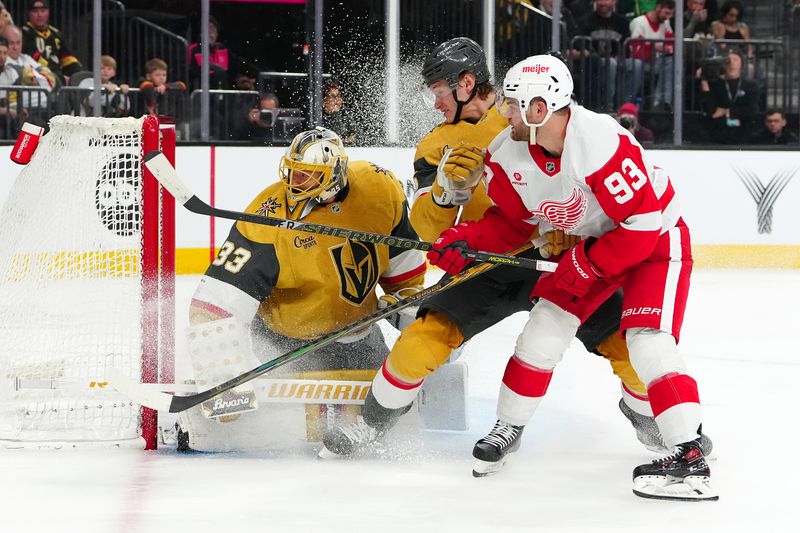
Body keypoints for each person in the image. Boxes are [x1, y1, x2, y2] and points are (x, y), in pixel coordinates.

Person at [321, 38, 693, 460]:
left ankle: (655, 423)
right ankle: (370, 425)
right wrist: (445, 196)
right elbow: (427, 227)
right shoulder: (435, 147)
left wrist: (587, 249)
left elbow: (603, 199)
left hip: (568, 261)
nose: (435, 105)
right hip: (491, 262)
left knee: (631, 351)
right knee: (423, 338)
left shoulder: (537, 116)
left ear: (465, 84)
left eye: (438, 93)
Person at [426, 54, 716, 501]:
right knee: (543, 329)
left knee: (646, 339)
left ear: (538, 109)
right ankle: (509, 427)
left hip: (655, 241)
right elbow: (513, 225)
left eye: (511, 104)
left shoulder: (597, 140)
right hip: (596, 246)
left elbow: (640, 226)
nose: (503, 113)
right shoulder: (506, 153)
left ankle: (688, 454)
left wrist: (588, 265)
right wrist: (467, 239)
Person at [175, 127, 427, 451]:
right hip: (287, 344)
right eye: (294, 171)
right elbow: (213, 304)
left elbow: (403, 266)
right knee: (281, 432)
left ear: (336, 174)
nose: (296, 182)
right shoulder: (266, 218)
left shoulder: (379, 187)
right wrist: (223, 371)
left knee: (395, 409)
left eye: (309, 175)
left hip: (359, 337)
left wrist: (411, 312)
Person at [699, 48, 758, 145]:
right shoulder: (716, 84)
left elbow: (752, 110)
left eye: (735, 60)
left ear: (741, 64)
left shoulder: (750, 85)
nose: (731, 63)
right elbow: (712, 111)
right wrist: (704, 80)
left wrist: (726, 111)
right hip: (718, 134)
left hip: (742, 133)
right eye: (728, 60)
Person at [3, 24, 55, 127]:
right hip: (25, 112)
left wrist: (29, 76)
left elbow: (50, 76)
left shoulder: (26, 58)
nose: (15, 47)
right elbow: (23, 74)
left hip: (45, 109)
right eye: (11, 43)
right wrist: (33, 76)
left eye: (18, 43)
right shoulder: (3, 62)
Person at [627, 0, 675, 109]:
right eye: (666, 13)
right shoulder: (639, 22)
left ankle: (661, 102)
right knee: (638, 64)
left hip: (657, 62)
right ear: (658, 7)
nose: (668, 17)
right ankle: (628, 102)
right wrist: (653, 47)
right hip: (641, 62)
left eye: (671, 14)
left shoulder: (666, 23)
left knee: (672, 61)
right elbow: (635, 50)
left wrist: (662, 48)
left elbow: (671, 45)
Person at [21, 0, 82, 85]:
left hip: (58, 78)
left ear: (48, 12)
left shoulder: (56, 34)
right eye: (35, 11)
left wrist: (77, 75)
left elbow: (68, 58)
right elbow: (34, 59)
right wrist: (59, 76)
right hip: (38, 79)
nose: (39, 15)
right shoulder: (24, 34)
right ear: (29, 14)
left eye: (43, 11)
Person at [321, 80, 355, 144]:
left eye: (339, 96)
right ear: (324, 101)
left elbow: (356, 137)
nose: (337, 101)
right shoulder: (319, 120)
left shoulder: (346, 117)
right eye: (333, 97)